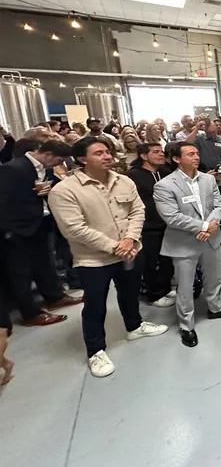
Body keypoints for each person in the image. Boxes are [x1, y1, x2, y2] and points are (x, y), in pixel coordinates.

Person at [48, 137, 168, 377]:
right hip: (93, 260)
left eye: (107, 152)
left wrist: (130, 239)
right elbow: (74, 229)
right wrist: (114, 246)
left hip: (130, 251)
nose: (107, 156)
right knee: (95, 305)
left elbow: (137, 211)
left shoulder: (124, 181)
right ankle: (96, 351)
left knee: (130, 293)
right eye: (99, 153)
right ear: (82, 159)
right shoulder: (64, 190)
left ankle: (134, 326)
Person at [153, 142, 221, 348]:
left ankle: (215, 308)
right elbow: (172, 217)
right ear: (177, 159)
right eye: (190, 154)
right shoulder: (165, 185)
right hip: (184, 243)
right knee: (185, 286)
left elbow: (219, 205)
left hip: (211, 238)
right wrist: (203, 226)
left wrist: (210, 225)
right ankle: (186, 325)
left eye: (197, 153)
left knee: (214, 277)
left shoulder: (208, 179)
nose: (196, 157)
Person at [0, 140, 83, 326]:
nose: (58, 165)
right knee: (20, 272)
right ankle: (30, 313)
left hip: (39, 223)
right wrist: (7, 230)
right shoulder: (14, 168)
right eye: (58, 161)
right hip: (17, 228)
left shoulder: (44, 168)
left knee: (44, 263)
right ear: (48, 155)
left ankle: (54, 297)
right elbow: (2, 200)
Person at [127, 143, 175, 307]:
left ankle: (166, 288)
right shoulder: (133, 176)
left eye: (161, 151)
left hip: (167, 223)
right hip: (148, 225)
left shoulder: (165, 172)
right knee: (152, 261)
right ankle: (154, 294)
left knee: (167, 259)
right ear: (144, 156)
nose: (161, 154)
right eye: (156, 152)